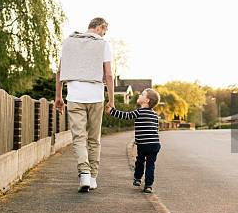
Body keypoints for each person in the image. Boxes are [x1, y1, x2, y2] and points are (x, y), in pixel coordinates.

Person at [56, 17, 114, 192]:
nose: (104, 34)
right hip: (96, 97)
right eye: (104, 31)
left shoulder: (68, 43)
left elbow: (59, 71)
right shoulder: (104, 44)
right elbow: (109, 75)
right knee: (94, 139)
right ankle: (93, 177)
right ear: (100, 27)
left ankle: (84, 175)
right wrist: (111, 100)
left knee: (79, 138)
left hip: (74, 96)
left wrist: (58, 96)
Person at [106, 89, 161, 193]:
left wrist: (112, 111)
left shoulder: (139, 112)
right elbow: (156, 129)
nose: (139, 95)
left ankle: (137, 178)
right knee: (150, 165)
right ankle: (148, 185)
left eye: (142, 94)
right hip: (154, 144)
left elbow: (125, 116)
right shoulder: (155, 115)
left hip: (143, 144)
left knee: (140, 161)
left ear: (147, 100)